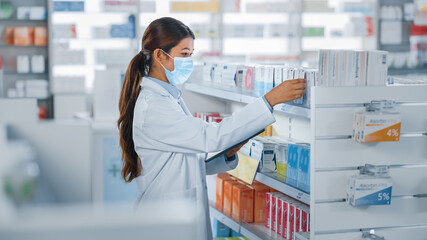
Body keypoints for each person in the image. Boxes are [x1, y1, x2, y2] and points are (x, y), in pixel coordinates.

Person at [117, 17, 306, 239]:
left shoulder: (168, 98)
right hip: (166, 219)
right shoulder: (154, 106)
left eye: (191, 54)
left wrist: (225, 154)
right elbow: (209, 137)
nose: (189, 61)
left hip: (176, 213)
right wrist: (269, 100)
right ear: (159, 55)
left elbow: (182, 161)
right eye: (184, 54)